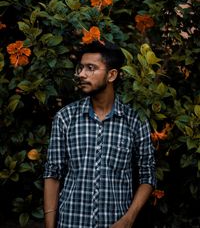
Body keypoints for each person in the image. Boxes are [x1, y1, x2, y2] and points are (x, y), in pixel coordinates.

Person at [43, 40, 156, 228]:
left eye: (91, 68)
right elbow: (53, 173)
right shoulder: (65, 117)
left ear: (111, 75)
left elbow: (147, 174)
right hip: (71, 222)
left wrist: (128, 220)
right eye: (80, 68)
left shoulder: (135, 120)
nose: (81, 74)